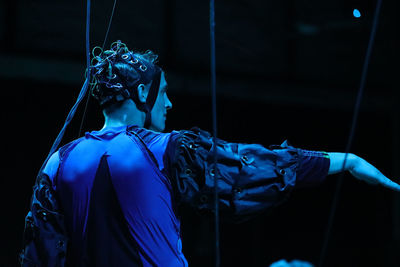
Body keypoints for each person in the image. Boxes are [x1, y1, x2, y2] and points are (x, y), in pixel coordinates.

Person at [21, 41, 400, 267]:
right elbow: (251, 166)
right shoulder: (162, 148)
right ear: (141, 95)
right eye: (163, 91)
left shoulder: (58, 162)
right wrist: (344, 160)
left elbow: (41, 255)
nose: (168, 103)